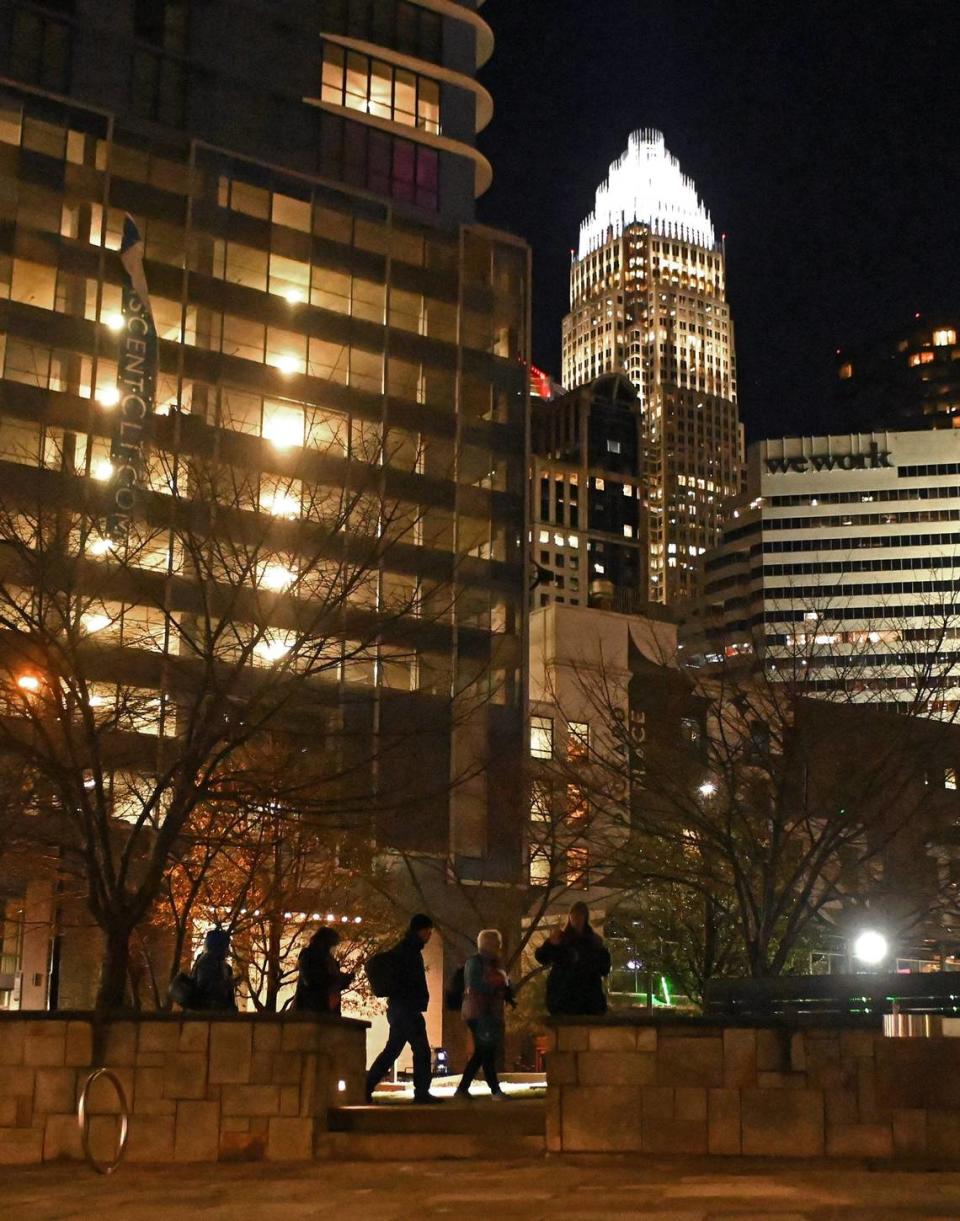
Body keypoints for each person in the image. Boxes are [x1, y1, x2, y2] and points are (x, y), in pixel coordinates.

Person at [365, 913, 441, 1104]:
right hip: (407, 1009)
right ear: (420, 930)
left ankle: (366, 1086)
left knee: (392, 1050)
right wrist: (417, 999)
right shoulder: (409, 951)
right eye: (428, 931)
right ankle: (422, 1092)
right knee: (421, 1050)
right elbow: (410, 981)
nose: (429, 935)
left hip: (400, 1009)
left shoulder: (405, 949)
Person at [455, 928, 512, 1100]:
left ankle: (463, 1089)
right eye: (497, 943)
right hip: (478, 1012)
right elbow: (475, 986)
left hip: (486, 1012)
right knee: (486, 1051)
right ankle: (494, 1090)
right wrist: (497, 988)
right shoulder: (476, 963)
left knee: (482, 1051)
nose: (499, 947)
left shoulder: (493, 964)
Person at [534, 901, 611, 1016]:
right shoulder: (562, 939)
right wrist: (551, 944)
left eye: (580, 915)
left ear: (585, 917)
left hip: (587, 999)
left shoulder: (592, 942)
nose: (577, 919)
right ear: (570, 917)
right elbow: (542, 957)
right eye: (575, 915)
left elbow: (604, 968)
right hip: (564, 997)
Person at [295, 927, 354, 1015]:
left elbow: (332, 984)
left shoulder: (331, 961)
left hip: (329, 1009)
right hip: (310, 1008)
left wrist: (345, 980)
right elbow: (311, 980)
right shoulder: (309, 956)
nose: (334, 949)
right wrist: (338, 979)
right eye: (333, 945)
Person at [191, 927, 238, 1011]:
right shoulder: (206, 962)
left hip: (219, 1012)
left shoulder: (224, 966)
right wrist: (226, 985)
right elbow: (203, 986)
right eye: (225, 946)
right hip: (207, 1012)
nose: (227, 950)